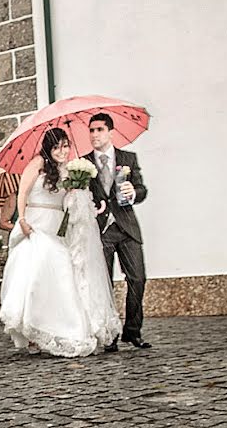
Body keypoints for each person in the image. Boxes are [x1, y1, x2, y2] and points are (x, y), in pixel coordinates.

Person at [0, 128, 120, 357]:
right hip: (35, 224)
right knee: (35, 275)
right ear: (48, 148)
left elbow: (71, 205)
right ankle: (32, 329)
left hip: (57, 227)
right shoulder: (36, 164)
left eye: (65, 146)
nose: (62, 151)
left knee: (61, 275)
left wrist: (77, 192)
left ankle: (60, 327)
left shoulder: (69, 170)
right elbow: (22, 193)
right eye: (57, 147)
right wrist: (22, 219)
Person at [85, 113, 151, 350]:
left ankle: (132, 331)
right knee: (104, 284)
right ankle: (109, 334)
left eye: (99, 130)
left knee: (137, 278)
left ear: (110, 132)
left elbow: (142, 190)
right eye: (91, 130)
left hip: (127, 227)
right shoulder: (83, 164)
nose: (94, 135)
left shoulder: (128, 158)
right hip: (100, 230)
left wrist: (133, 192)